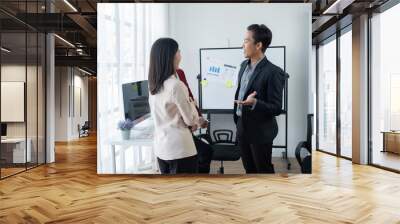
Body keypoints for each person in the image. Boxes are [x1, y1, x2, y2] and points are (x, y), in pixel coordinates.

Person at [234, 24, 288, 174]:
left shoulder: (274, 72)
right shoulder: (243, 65)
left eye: (246, 41)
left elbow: (276, 108)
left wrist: (255, 103)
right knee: (249, 170)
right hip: (242, 127)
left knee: (263, 171)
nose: (242, 45)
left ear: (258, 45)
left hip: (261, 131)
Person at [148, 38, 202, 174]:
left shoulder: (153, 85)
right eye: (178, 51)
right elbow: (190, 120)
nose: (180, 54)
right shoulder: (176, 85)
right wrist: (192, 103)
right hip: (180, 150)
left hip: (162, 149)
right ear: (171, 55)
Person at [176, 68, 213, 173]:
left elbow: (190, 97)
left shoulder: (180, 72)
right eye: (177, 51)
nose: (180, 53)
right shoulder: (169, 81)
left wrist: (199, 117)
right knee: (204, 152)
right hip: (177, 131)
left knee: (206, 151)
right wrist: (193, 121)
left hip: (186, 127)